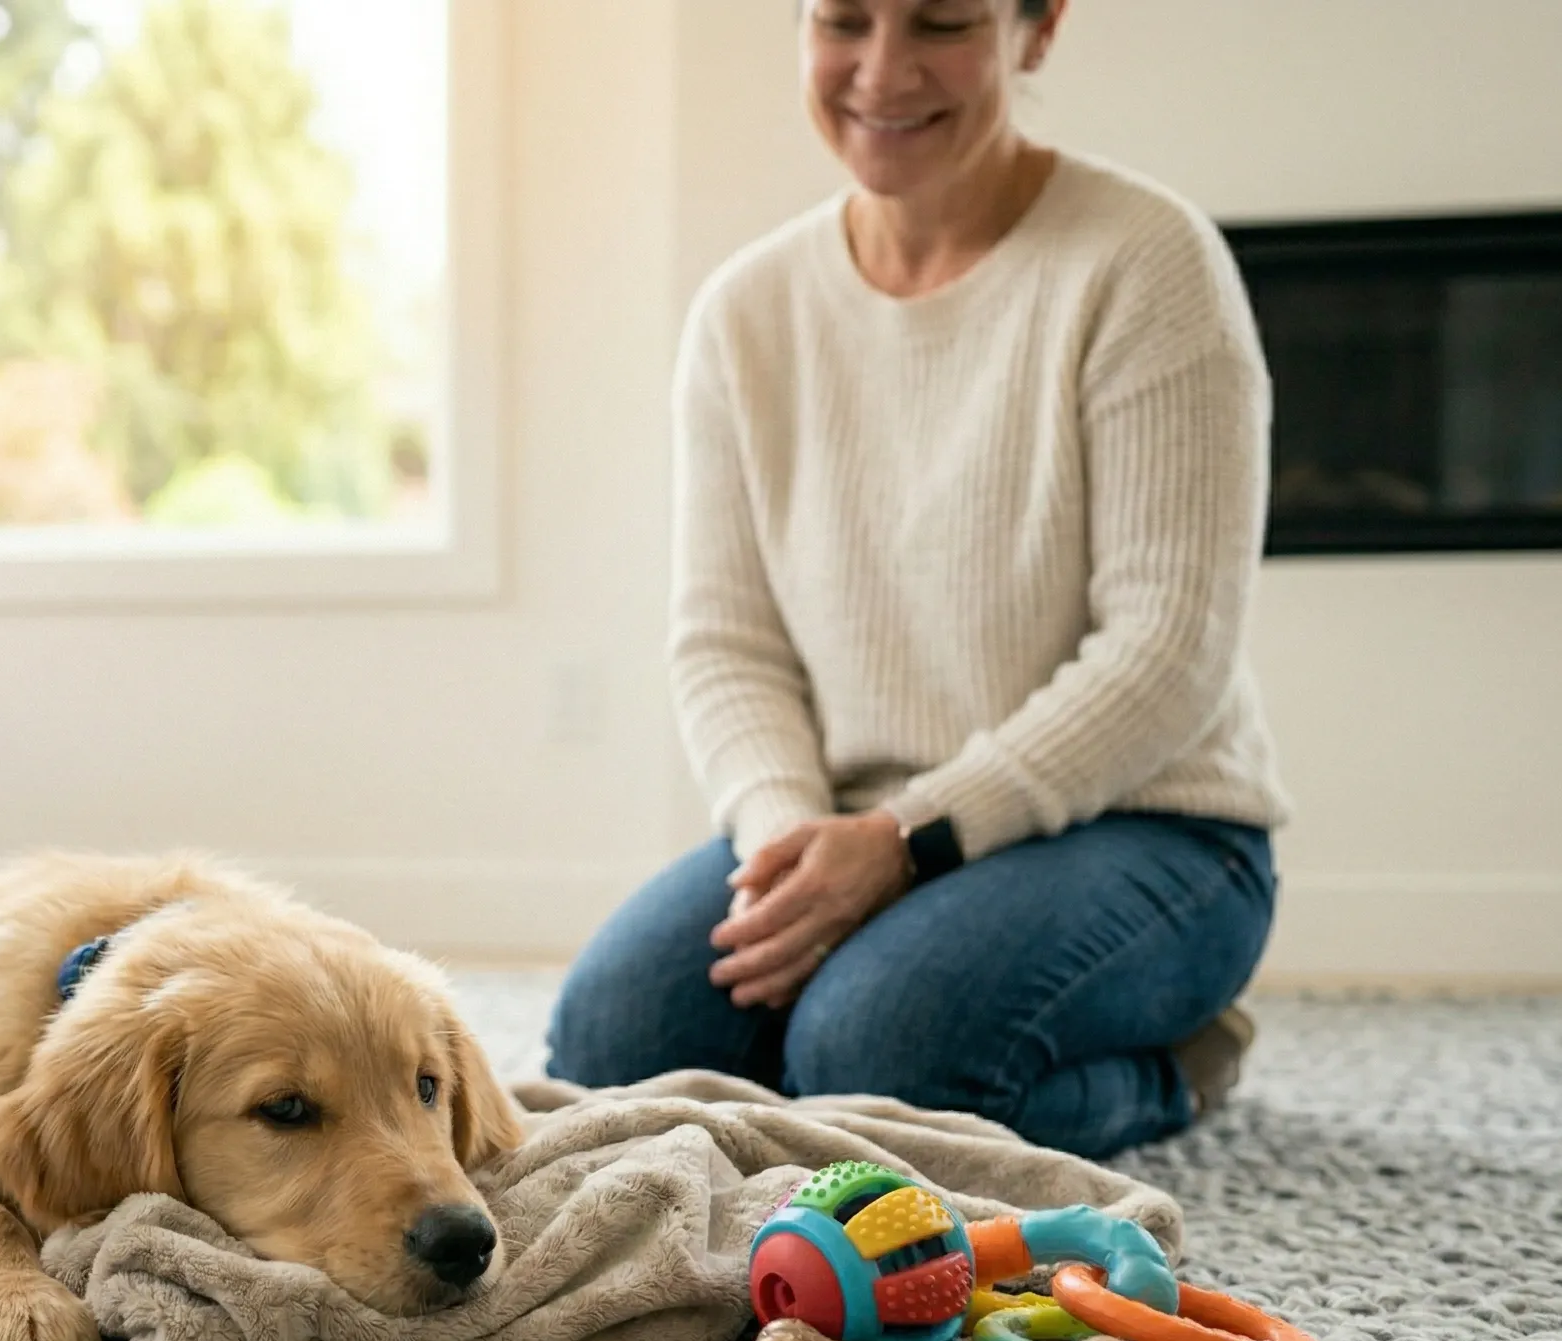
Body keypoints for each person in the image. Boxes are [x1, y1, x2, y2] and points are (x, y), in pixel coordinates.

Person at [543, 0, 1289, 1159]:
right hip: (848, 825)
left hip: (1148, 829)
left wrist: (905, 842)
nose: (882, 73)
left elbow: (1167, 652)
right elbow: (726, 644)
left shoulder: (1146, 260)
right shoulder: (746, 310)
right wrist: (793, 851)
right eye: (844, 20)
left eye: (940, 22)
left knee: (875, 1053)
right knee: (611, 1050)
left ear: (1035, 30)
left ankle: (1175, 1074)